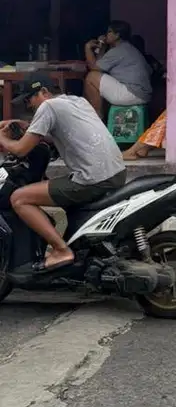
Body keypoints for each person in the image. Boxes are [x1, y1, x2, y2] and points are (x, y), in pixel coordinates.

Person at [0, 72, 126, 271]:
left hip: (92, 179)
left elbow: (20, 149)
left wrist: (2, 138)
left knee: (19, 198)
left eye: (28, 99)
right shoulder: (77, 101)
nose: (29, 106)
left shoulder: (48, 106)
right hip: (115, 173)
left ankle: (61, 250)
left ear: (43, 91)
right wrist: (26, 126)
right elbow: (59, 132)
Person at [84, 20, 152, 117]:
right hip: (141, 94)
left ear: (117, 35)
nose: (106, 35)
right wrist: (102, 47)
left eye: (109, 32)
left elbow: (93, 67)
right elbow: (100, 65)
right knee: (97, 77)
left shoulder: (118, 50)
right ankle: (101, 116)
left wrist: (87, 47)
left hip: (132, 93)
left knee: (91, 77)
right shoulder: (126, 48)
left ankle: (97, 118)